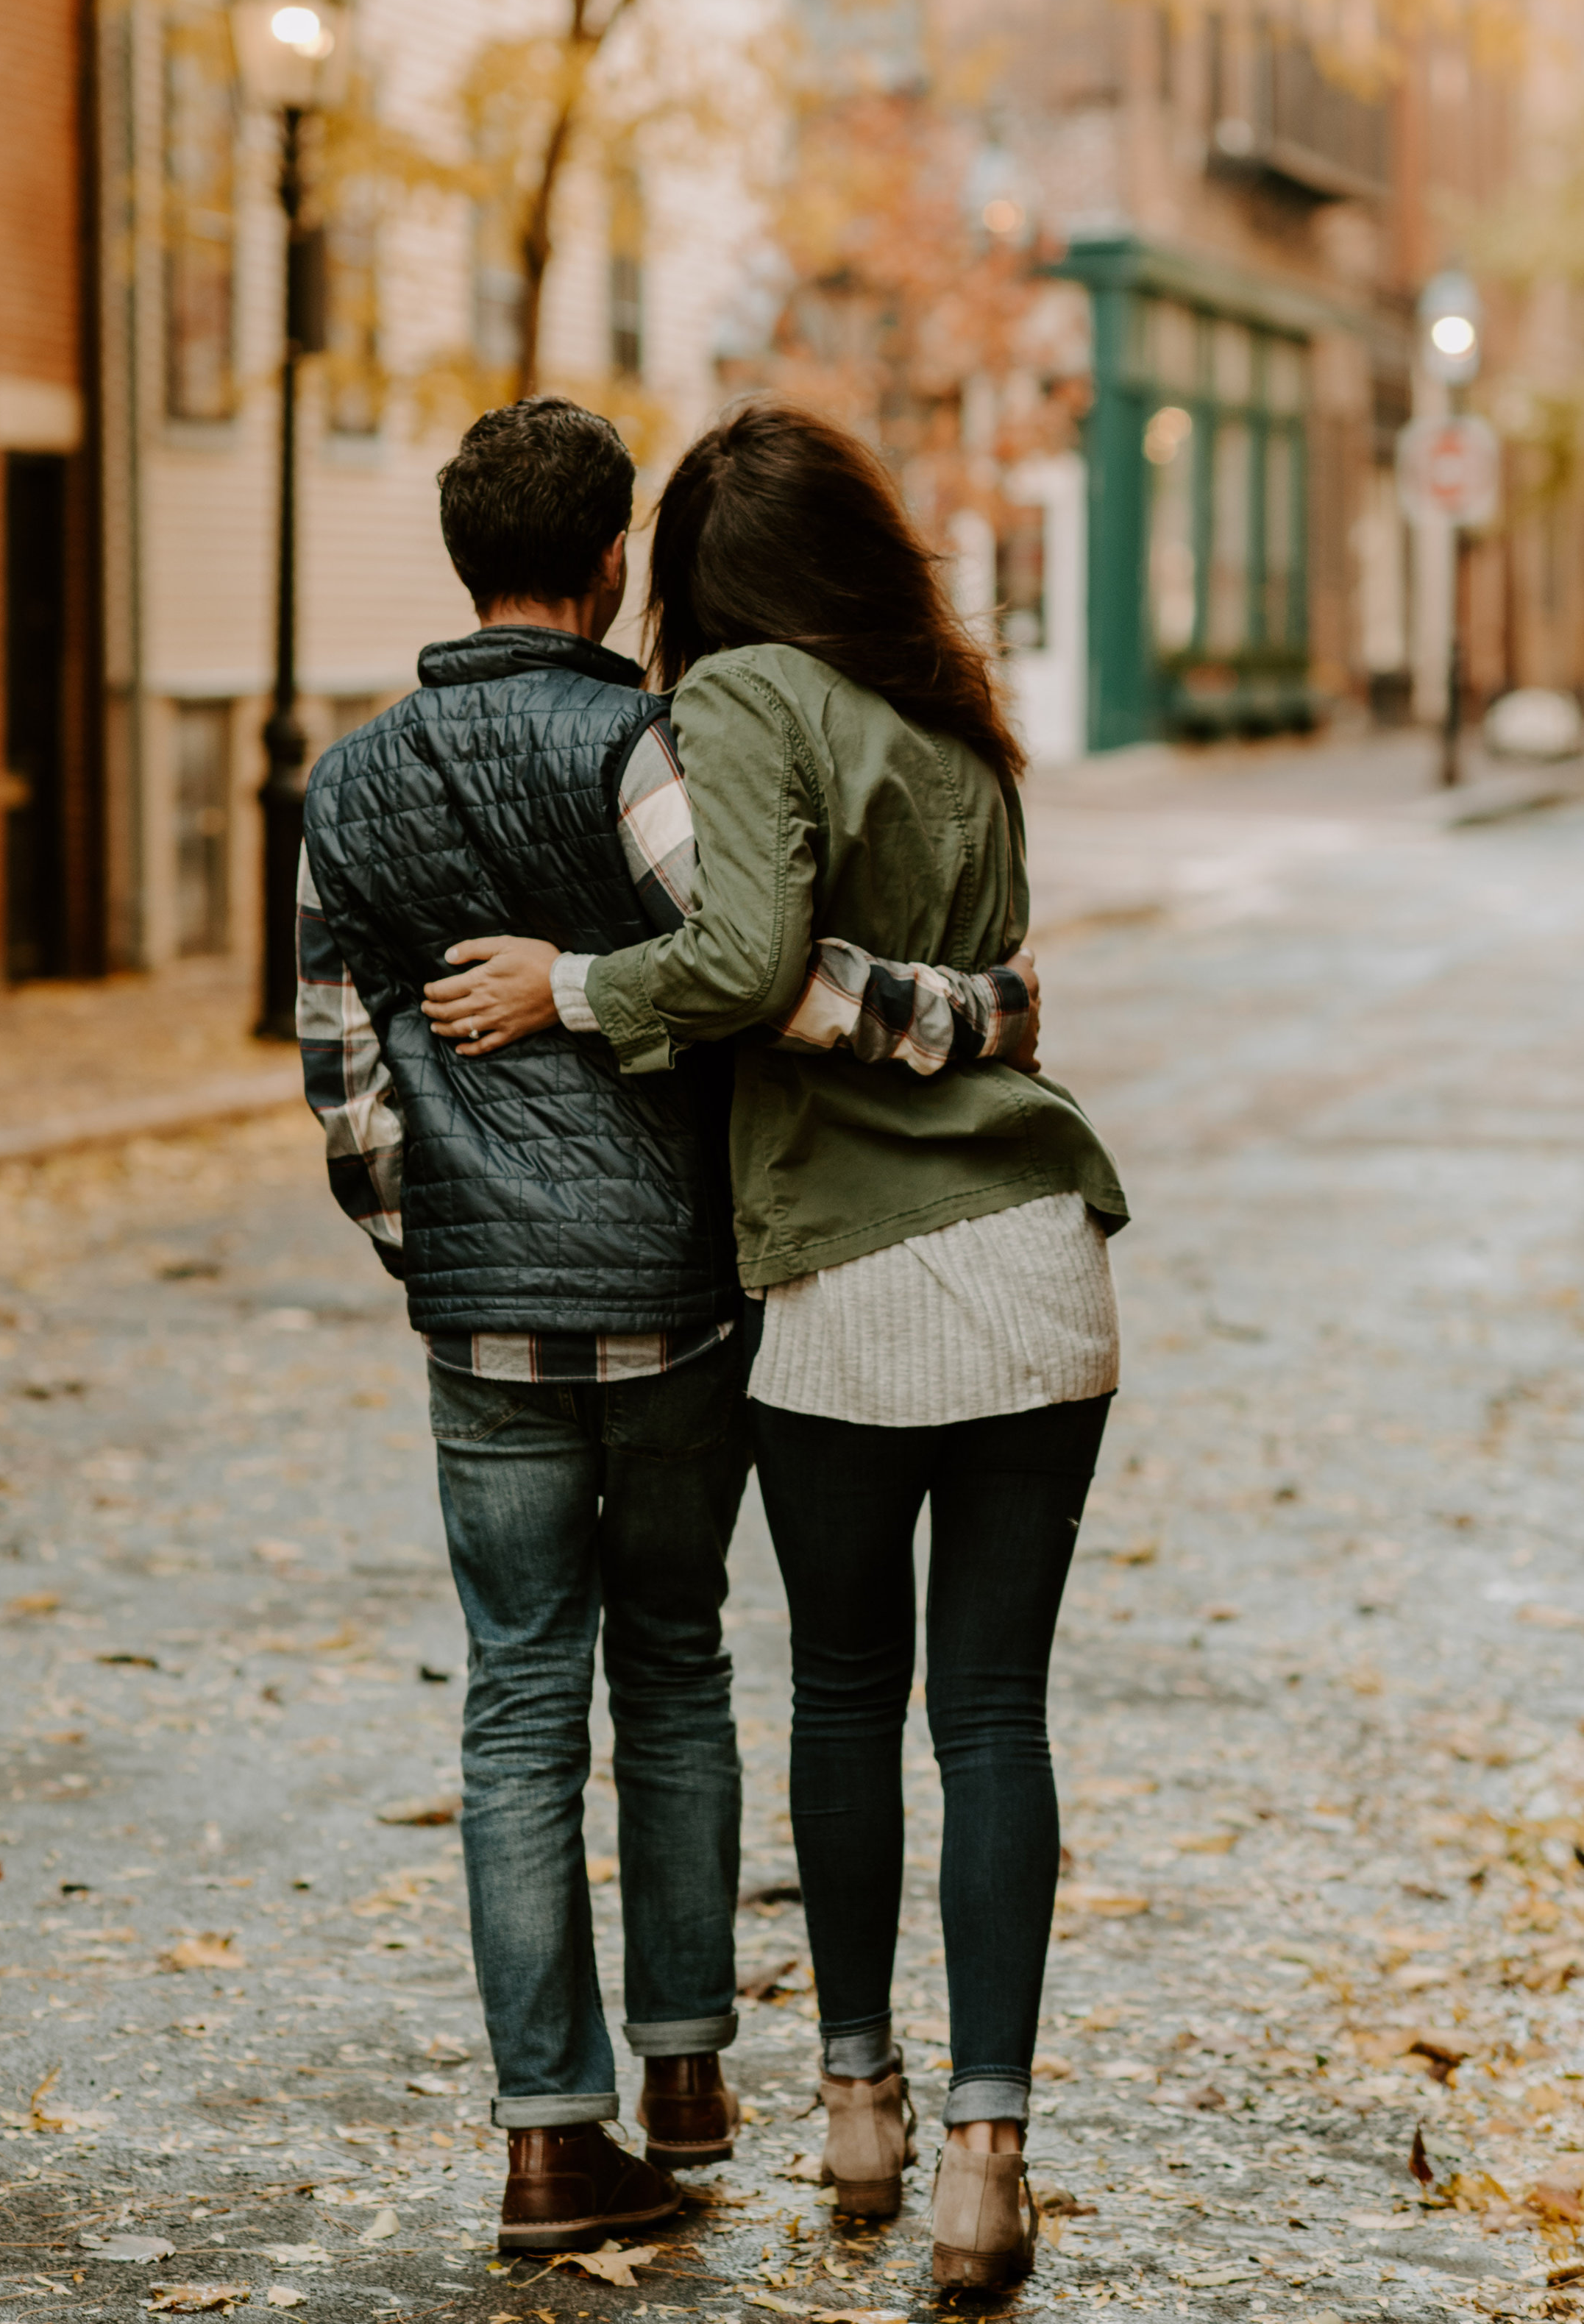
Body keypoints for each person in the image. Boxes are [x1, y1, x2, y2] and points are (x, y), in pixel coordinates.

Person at [296, 395, 1045, 2263]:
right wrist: (960, 1025)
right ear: (616, 558)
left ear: (461, 558)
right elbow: (733, 972)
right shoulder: (641, 743)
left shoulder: (342, 783)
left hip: (481, 1321)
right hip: (669, 1306)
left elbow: (337, 1075)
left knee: (515, 1702)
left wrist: (434, 1249)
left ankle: (553, 2135)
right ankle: (691, 2064)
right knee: (684, 1664)